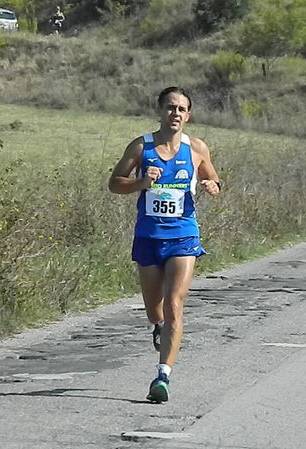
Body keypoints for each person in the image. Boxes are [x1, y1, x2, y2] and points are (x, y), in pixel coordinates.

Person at [108, 87, 221, 403]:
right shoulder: (141, 147)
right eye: (170, 108)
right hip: (148, 237)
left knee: (174, 304)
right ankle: (158, 326)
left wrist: (213, 185)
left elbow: (214, 178)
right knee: (154, 309)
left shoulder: (196, 148)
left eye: (182, 109)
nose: (176, 114)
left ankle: (162, 377)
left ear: (188, 115)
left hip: (184, 235)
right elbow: (114, 183)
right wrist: (142, 183)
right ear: (159, 111)